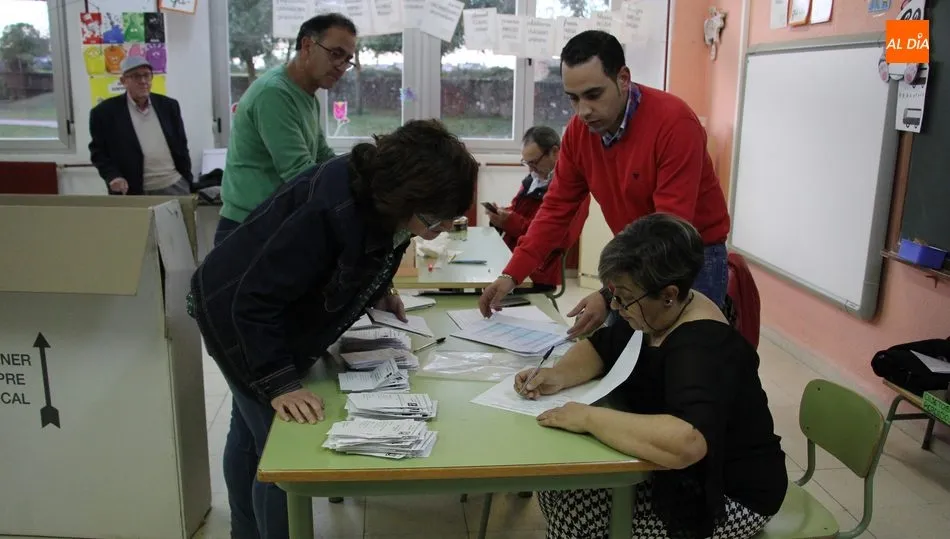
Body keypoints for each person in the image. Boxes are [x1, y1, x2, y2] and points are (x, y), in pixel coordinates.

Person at [188, 119, 478, 539]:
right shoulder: (328, 210)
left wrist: (380, 289)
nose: (440, 228)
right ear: (403, 197)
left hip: (256, 306)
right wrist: (280, 383)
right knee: (280, 453)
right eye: (434, 218)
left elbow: (377, 246)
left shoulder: (380, 196)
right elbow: (254, 301)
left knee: (251, 435)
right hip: (232, 312)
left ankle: (245, 533)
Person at [516, 213, 786, 539]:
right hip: (674, 473)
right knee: (558, 485)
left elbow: (687, 441)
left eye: (625, 297)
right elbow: (601, 348)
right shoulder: (656, 312)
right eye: (613, 294)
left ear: (669, 294)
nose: (615, 306)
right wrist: (558, 375)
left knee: (575, 510)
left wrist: (588, 418)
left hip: (729, 495)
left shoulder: (702, 347)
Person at [478, 30, 731, 337]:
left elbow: (668, 231)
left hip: (691, 256)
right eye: (573, 98)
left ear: (623, 78)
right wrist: (512, 274)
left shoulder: (674, 124)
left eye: (593, 95)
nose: (583, 110)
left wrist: (609, 293)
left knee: (683, 357)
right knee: (614, 352)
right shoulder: (577, 134)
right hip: (637, 255)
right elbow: (555, 210)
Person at [217, 13, 358, 242]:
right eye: (336, 54)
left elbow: (323, 157)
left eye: (348, 59)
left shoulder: (307, 96)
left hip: (274, 222)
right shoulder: (274, 93)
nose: (341, 66)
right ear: (307, 45)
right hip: (248, 229)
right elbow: (300, 172)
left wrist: (364, 170)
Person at [485, 126, 589, 293]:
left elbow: (556, 237)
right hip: (513, 255)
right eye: (527, 163)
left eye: (534, 162)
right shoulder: (534, 179)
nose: (531, 169)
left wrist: (509, 220)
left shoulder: (573, 189)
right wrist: (501, 215)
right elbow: (518, 209)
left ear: (555, 152)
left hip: (539, 270)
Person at [89, 56, 192, 196]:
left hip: (173, 184)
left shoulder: (169, 106)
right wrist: (113, 176)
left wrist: (187, 179)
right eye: (136, 76)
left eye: (147, 75)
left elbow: (181, 144)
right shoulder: (104, 113)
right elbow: (99, 153)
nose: (143, 81)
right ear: (123, 81)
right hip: (132, 190)